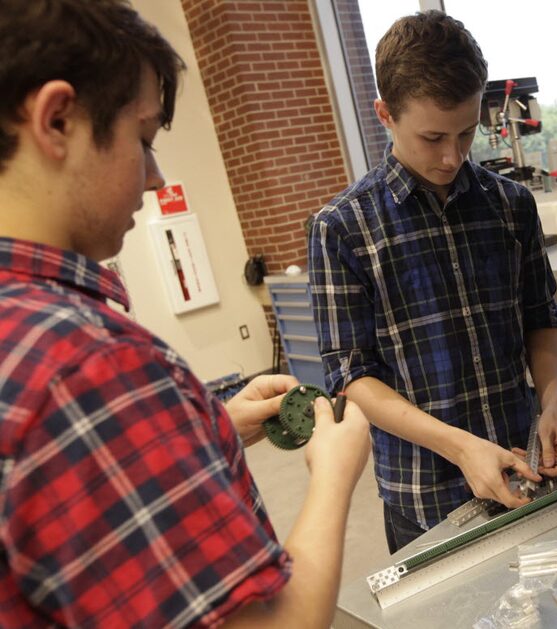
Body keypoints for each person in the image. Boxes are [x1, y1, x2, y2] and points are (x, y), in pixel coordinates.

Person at [0, 1, 369, 627]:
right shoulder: (93, 365)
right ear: (57, 120)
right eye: (143, 140)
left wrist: (209, 427)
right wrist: (333, 474)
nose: (155, 176)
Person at [308, 10, 557, 554]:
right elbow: (352, 376)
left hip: (526, 467)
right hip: (424, 499)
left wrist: (553, 403)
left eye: (467, 132)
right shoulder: (341, 228)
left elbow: (541, 322)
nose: (452, 156)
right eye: (432, 137)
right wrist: (460, 448)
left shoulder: (511, 205)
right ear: (385, 114)